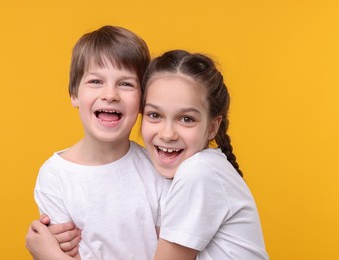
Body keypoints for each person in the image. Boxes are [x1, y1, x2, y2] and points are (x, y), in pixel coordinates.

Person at [27, 49, 269, 259]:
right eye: (154, 115)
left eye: (187, 119)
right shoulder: (192, 171)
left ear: (213, 127)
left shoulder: (198, 173)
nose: (168, 133)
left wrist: (50, 255)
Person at [26, 25, 166, 260]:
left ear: (143, 100)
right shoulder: (55, 176)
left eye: (126, 84)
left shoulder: (158, 167)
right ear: (74, 94)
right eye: (95, 81)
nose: (110, 94)